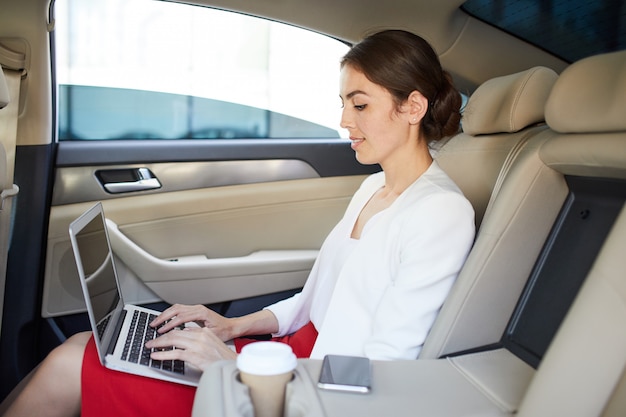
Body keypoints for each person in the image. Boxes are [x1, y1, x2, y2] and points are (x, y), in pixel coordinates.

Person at [2, 29, 475, 417]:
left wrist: (232, 365)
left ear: (412, 107)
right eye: (344, 103)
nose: (344, 121)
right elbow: (312, 304)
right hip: (286, 363)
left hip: (308, 395)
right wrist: (229, 328)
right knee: (90, 344)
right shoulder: (374, 188)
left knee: (73, 364)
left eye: (360, 105)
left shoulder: (440, 213)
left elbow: (381, 372)